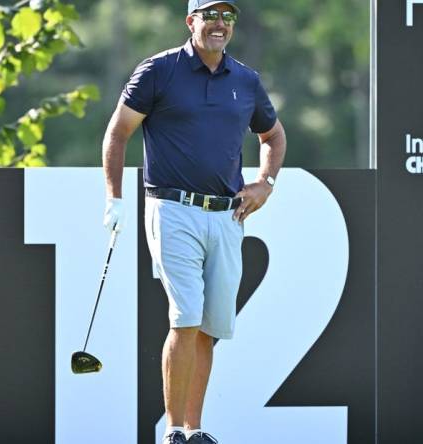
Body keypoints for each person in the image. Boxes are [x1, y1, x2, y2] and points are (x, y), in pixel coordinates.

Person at [100, 0, 287, 442]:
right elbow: (117, 133)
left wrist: (266, 182)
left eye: (227, 17)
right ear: (191, 22)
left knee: (209, 328)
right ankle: (172, 433)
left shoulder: (245, 79)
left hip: (226, 216)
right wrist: (114, 198)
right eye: (210, 16)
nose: (220, 24)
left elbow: (273, 136)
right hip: (172, 208)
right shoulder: (158, 71)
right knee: (184, 317)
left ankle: (194, 428)